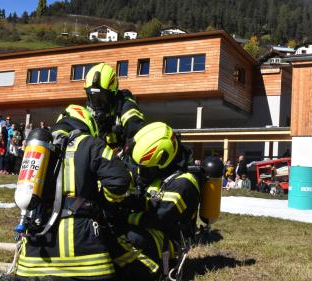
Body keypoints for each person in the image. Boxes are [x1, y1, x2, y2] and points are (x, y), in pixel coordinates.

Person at [15, 104, 131, 280]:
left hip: (32, 259)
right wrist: (103, 203)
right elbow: (119, 182)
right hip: (84, 258)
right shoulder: (91, 143)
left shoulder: (41, 149)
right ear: (87, 124)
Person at [108, 122, 200, 281]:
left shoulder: (184, 184)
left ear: (163, 158)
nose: (140, 172)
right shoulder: (160, 173)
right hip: (151, 230)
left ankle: (156, 274)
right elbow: (143, 199)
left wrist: (121, 216)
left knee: (125, 236)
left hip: (168, 242)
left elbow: (158, 218)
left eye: (145, 168)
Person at [83, 63, 146, 149]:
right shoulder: (88, 110)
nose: (97, 103)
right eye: (93, 98)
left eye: (102, 98)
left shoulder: (126, 107)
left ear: (113, 94)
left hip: (123, 158)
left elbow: (138, 135)